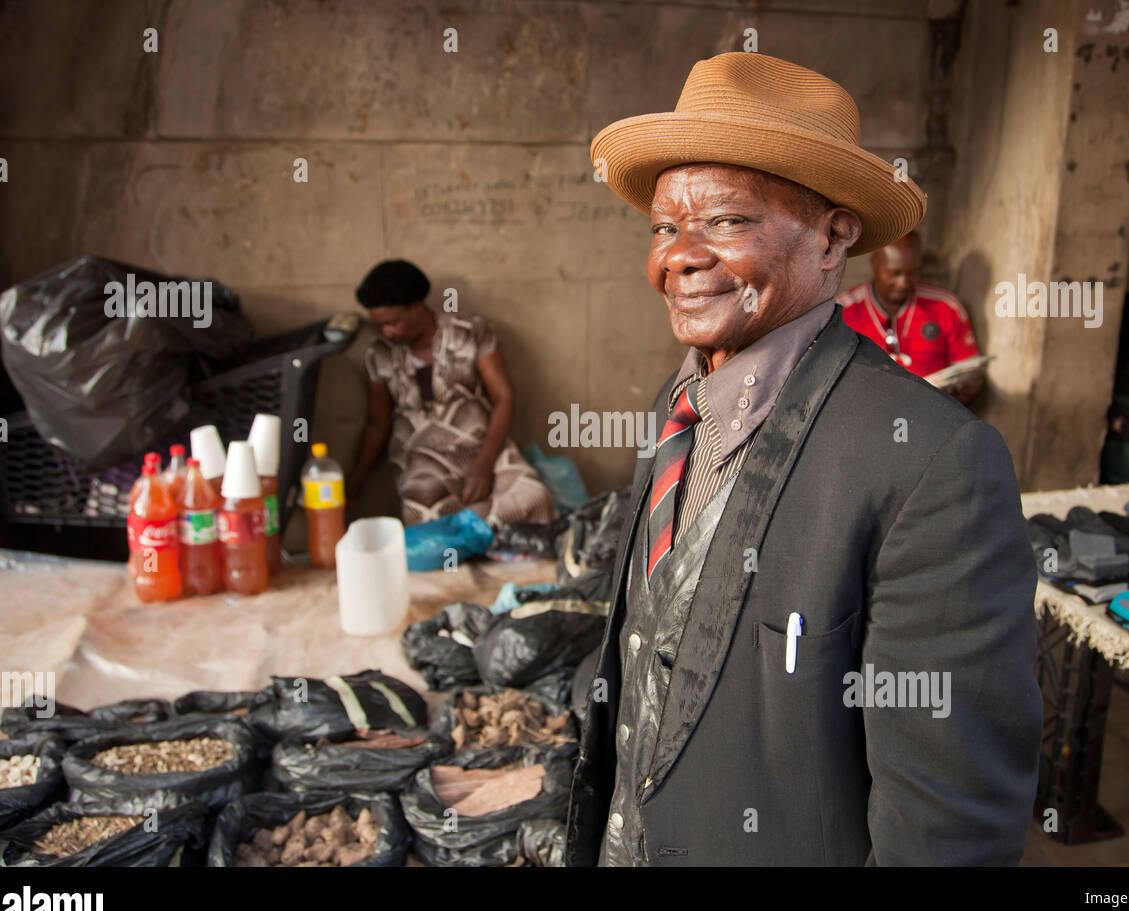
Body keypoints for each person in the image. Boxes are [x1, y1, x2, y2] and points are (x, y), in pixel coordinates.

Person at [565, 53, 1040, 866]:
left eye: (725, 221)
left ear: (831, 237)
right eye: (663, 225)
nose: (678, 255)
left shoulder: (933, 464)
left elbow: (944, 832)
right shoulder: (676, 405)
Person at [346, 259, 557, 528]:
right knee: (424, 518)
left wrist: (483, 465)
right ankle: (479, 543)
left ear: (416, 305)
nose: (387, 332)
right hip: (422, 459)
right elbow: (378, 425)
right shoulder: (379, 354)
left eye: (393, 322)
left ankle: (487, 543)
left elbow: (504, 397)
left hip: (482, 447)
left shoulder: (469, 332)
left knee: (533, 498)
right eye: (380, 326)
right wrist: (353, 485)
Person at [838, 231, 985, 405]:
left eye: (912, 273)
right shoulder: (843, 312)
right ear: (875, 264)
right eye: (895, 273)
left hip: (933, 415)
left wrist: (962, 387)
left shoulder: (946, 307)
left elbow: (973, 372)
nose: (903, 283)